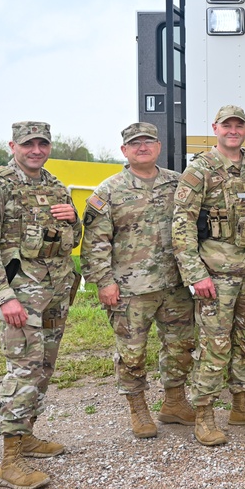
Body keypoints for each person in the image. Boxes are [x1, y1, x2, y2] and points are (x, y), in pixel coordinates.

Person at [0, 121, 82, 489]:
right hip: (22, 293)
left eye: (42, 143)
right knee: (23, 369)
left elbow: (68, 239)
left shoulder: (54, 185)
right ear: (13, 145)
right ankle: (9, 461)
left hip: (54, 291)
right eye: (29, 144)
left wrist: (74, 221)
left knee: (44, 366)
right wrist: (4, 296)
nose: (36, 150)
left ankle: (27, 435)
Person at [80, 123, 196, 439]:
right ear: (124, 151)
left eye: (148, 141)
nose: (142, 147)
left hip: (175, 285)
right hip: (130, 290)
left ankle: (174, 403)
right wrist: (104, 282)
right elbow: (95, 242)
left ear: (158, 146)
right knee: (132, 353)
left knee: (181, 347)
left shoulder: (178, 184)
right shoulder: (108, 191)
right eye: (135, 143)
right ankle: (138, 409)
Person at [173, 105, 245, 447]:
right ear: (216, 128)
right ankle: (204, 414)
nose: (233, 130)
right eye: (226, 125)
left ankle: (242, 405)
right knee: (214, 346)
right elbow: (182, 224)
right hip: (214, 276)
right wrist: (194, 273)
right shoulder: (200, 170)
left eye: (239, 125)